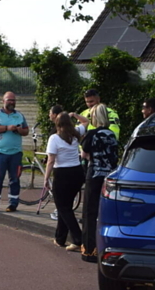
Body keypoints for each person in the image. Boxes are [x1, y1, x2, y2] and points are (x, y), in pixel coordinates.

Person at [80, 104, 119, 263]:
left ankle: (89, 250)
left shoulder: (92, 134)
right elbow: (114, 157)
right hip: (108, 176)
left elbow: (84, 154)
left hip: (94, 174)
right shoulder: (111, 135)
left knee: (89, 212)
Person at [43, 111, 86, 250]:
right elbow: (86, 122)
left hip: (62, 174)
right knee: (65, 206)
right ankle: (60, 238)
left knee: (63, 207)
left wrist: (46, 178)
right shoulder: (75, 134)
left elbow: (51, 160)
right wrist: (75, 115)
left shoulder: (54, 138)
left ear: (57, 123)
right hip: (78, 173)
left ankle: (78, 239)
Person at [0, 91, 29, 213]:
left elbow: (26, 131)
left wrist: (19, 130)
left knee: (15, 179)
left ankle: (13, 204)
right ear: (3, 101)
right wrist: (6, 128)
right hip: (0, 153)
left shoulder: (19, 115)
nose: (11, 102)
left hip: (15, 153)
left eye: (13, 100)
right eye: (9, 100)